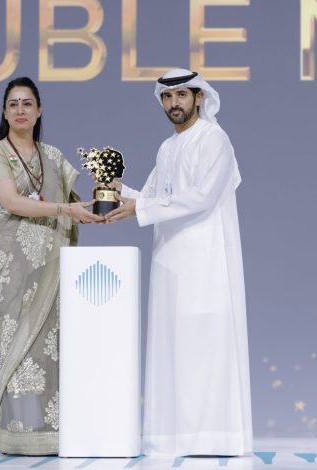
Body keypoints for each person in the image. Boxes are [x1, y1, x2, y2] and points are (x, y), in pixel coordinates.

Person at [105, 69, 253, 457]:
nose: (174, 103)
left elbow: (202, 197)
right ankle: (172, 438)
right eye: (167, 97)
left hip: (206, 263)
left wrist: (140, 207)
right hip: (169, 263)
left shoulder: (214, 140)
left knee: (205, 347)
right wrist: (119, 193)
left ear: (199, 98)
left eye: (182, 95)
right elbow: (152, 196)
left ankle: (215, 438)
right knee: (172, 348)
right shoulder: (167, 148)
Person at [0, 77, 102, 455]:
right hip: (10, 266)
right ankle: (17, 434)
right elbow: (12, 202)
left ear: (39, 110)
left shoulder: (54, 156)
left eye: (27, 103)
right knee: (14, 344)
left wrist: (105, 198)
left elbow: (79, 202)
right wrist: (66, 210)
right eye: (13, 104)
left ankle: (52, 433)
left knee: (50, 346)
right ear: (4, 112)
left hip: (51, 264)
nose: (20, 110)